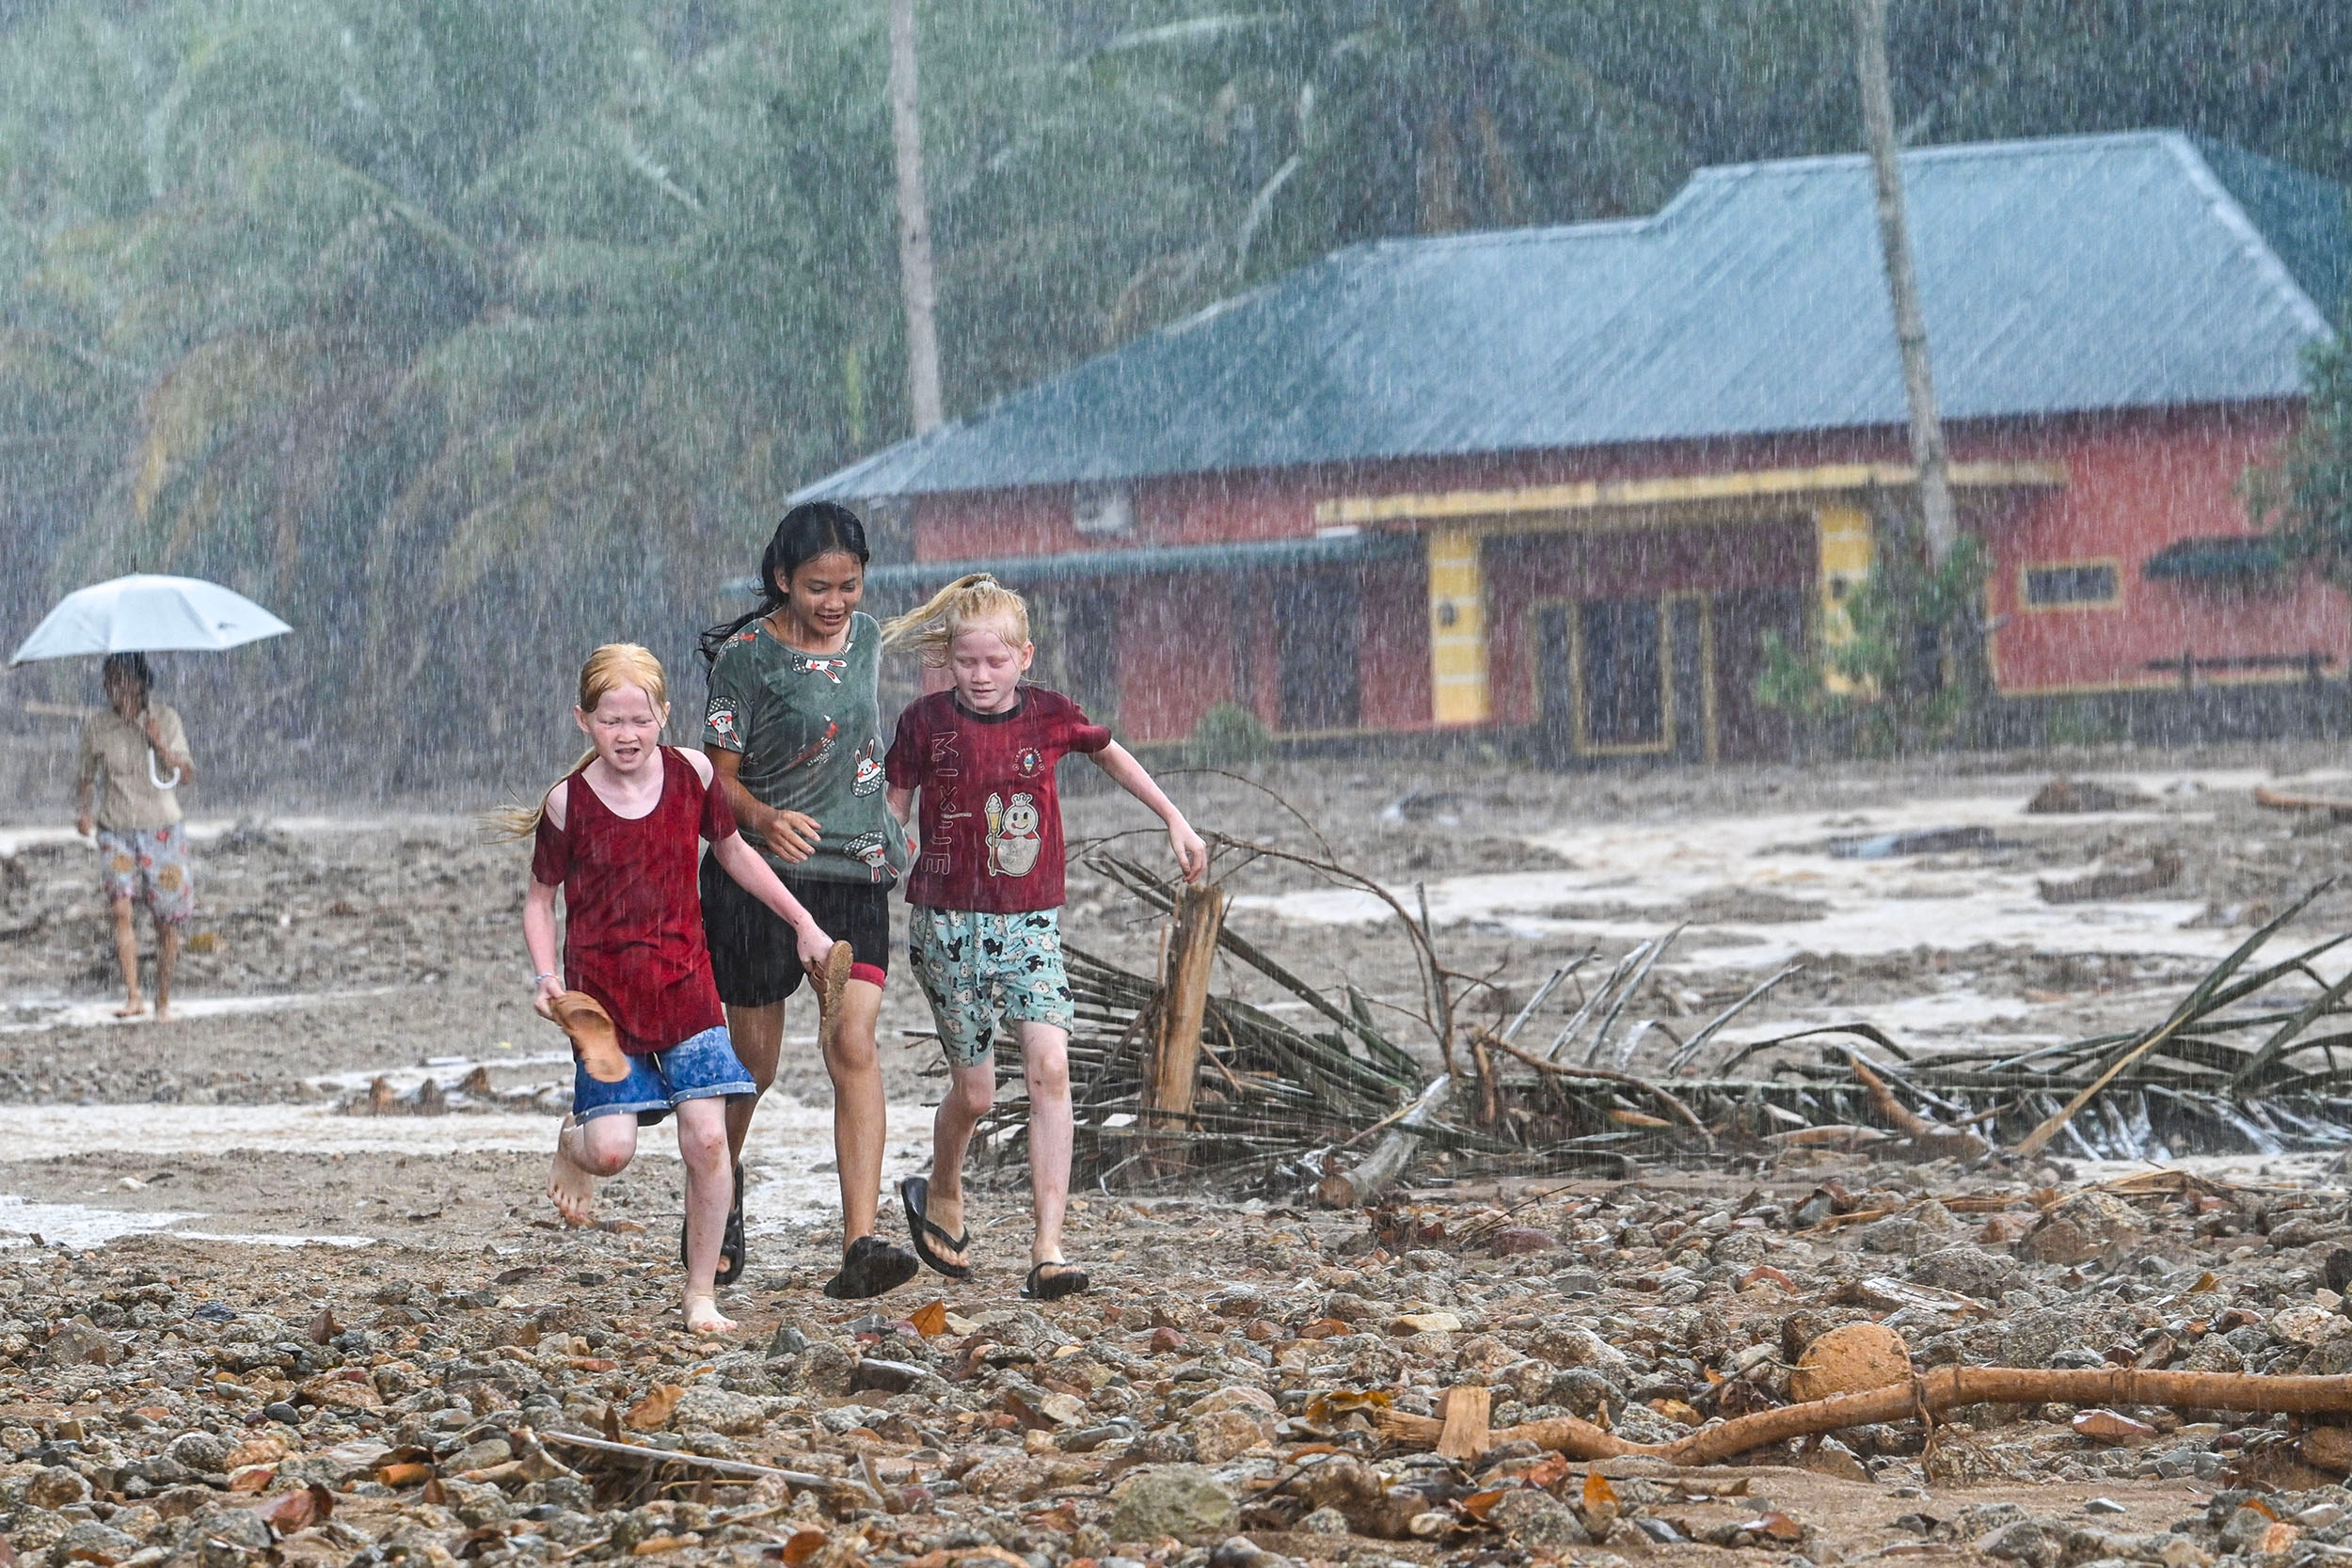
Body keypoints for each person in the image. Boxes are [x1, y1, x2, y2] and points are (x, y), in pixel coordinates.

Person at [880, 574, 1207, 1299]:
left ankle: (1048, 1246)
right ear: (949, 661)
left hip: (1031, 924)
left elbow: (1111, 751)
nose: (982, 676)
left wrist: (1174, 818)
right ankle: (942, 1187)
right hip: (944, 926)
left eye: (996, 662)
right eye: (968, 662)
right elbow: (891, 815)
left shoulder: (1051, 716)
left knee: (1049, 1069)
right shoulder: (922, 722)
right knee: (976, 1094)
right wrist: (877, 855)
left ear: (1025, 656)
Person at [510, 643, 836, 1335]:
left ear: (663, 713)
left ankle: (699, 1295)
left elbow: (736, 853)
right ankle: (573, 1141)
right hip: (605, 1011)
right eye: (609, 720)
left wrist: (804, 922)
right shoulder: (568, 804)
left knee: (709, 1141)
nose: (626, 734)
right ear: (583, 720)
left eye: (639, 718)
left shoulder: (691, 774)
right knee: (612, 1152)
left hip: (688, 988)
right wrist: (547, 979)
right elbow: (540, 899)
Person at [699, 503, 920, 1300]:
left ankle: (860, 1242)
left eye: (850, 586)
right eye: (818, 587)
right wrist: (763, 818)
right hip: (759, 874)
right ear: (782, 580)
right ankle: (716, 1202)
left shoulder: (866, 638)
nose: (836, 603)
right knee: (752, 1064)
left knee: (852, 1043)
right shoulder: (745, 659)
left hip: (856, 870)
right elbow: (715, 783)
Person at [73, 654, 198, 1022]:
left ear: (142, 682)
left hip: (162, 829)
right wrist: (83, 811)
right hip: (117, 828)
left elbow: (186, 774)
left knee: (167, 919)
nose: (116, 689)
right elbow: (86, 775)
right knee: (120, 909)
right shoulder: (98, 726)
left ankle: (163, 1000)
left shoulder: (166, 718)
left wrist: (158, 743)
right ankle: (133, 996)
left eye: (123, 680)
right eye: (109, 681)